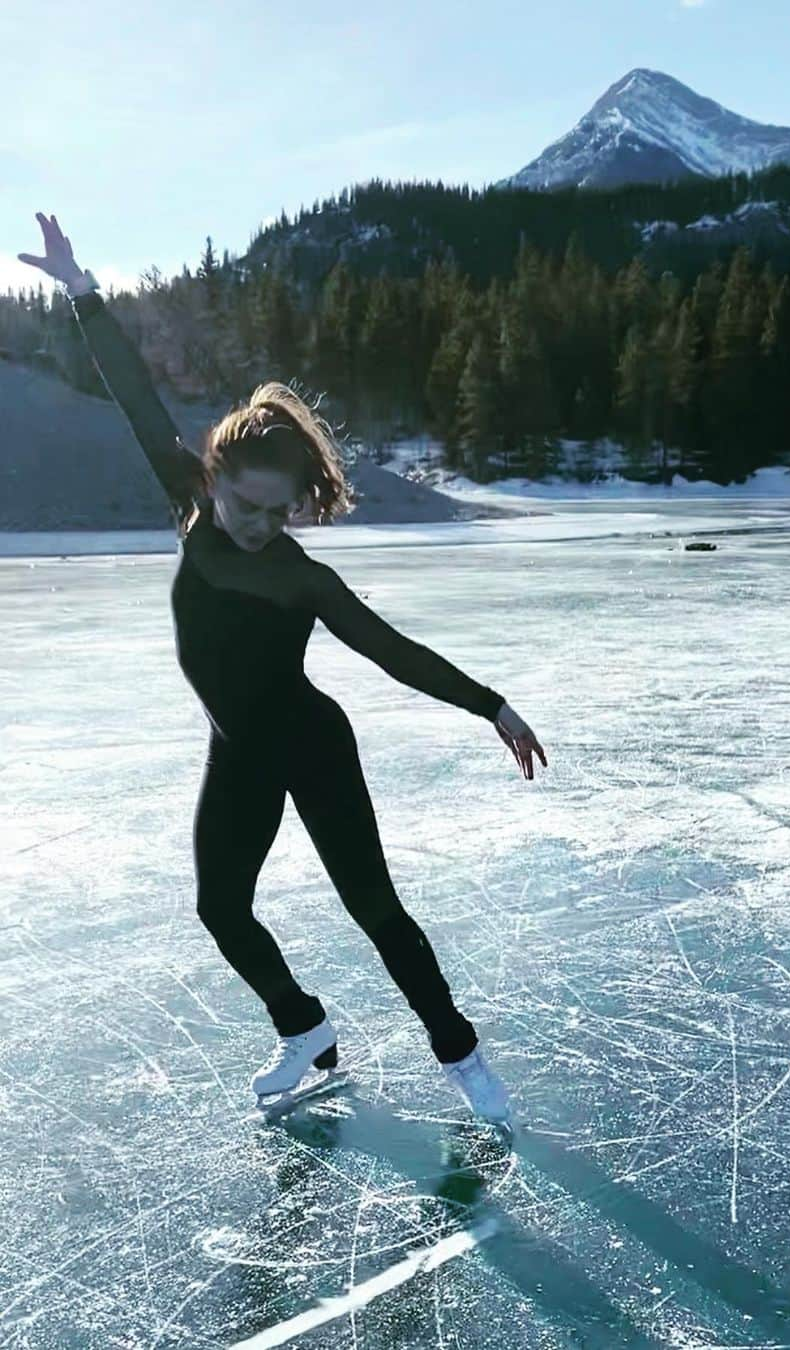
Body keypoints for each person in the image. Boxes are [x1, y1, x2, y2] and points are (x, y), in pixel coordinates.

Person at [18, 211, 547, 1123]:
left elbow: (390, 650)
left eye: (276, 513)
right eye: (243, 505)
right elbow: (137, 393)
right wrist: (81, 291)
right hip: (237, 750)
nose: (257, 526)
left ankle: (459, 1053)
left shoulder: (302, 577)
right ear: (214, 480)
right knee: (221, 909)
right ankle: (303, 1028)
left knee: (376, 912)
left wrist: (489, 704)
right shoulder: (191, 500)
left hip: (311, 746)